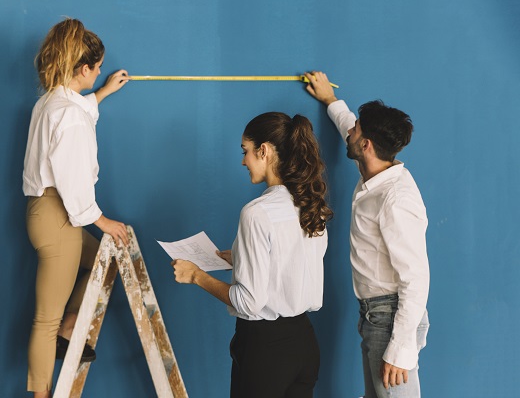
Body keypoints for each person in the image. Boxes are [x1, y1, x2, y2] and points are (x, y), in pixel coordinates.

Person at [172, 112, 333, 397]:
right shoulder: (311, 205)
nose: (243, 161)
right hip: (305, 344)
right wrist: (238, 258)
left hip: (265, 350)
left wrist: (196, 275)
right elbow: (291, 264)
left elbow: (249, 302)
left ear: (265, 151)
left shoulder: (257, 212)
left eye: (246, 151)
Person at [304, 71, 430, 398]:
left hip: (390, 320)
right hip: (374, 317)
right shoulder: (376, 170)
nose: (351, 130)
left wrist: (400, 351)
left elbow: (416, 279)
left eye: (356, 130)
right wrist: (330, 100)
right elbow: (348, 123)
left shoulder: (395, 200)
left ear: (366, 145)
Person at [22, 18, 130, 398]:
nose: (100, 71)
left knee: (105, 259)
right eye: (97, 68)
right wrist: (101, 220)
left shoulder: (52, 101)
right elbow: (73, 181)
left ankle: (71, 327)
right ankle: (40, 395)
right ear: (83, 69)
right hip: (59, 216)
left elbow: (73, 115)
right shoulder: (68, 116)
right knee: (45, 319)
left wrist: (101, 93)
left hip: (45, 212)